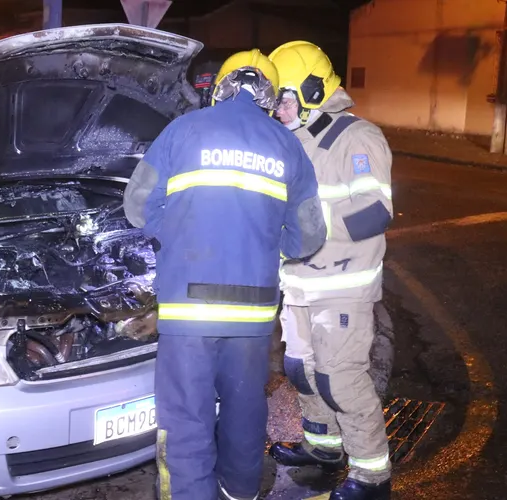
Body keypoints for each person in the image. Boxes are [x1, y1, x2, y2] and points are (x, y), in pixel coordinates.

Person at [123, 49, 326, 500]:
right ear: (271, 97)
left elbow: (137, 208)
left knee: (187, 418)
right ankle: (239, 491)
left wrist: (172, 233)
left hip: (188, 311)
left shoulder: (183, 130)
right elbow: (309, 236)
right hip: (252, 317)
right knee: (245, 407)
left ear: (220, 87)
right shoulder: (287, 145)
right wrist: (269, 245)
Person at [266, 40, 394, 500]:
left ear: (313, 89)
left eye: (284, 97)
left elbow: (373, 212)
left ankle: (372, 477)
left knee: (340, 378)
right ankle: (323, 449)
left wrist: (300, 223)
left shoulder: (357, 137)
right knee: (302, 371)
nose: (278, 109)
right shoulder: (292, 141)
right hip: (299, 284)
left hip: (341, 285)